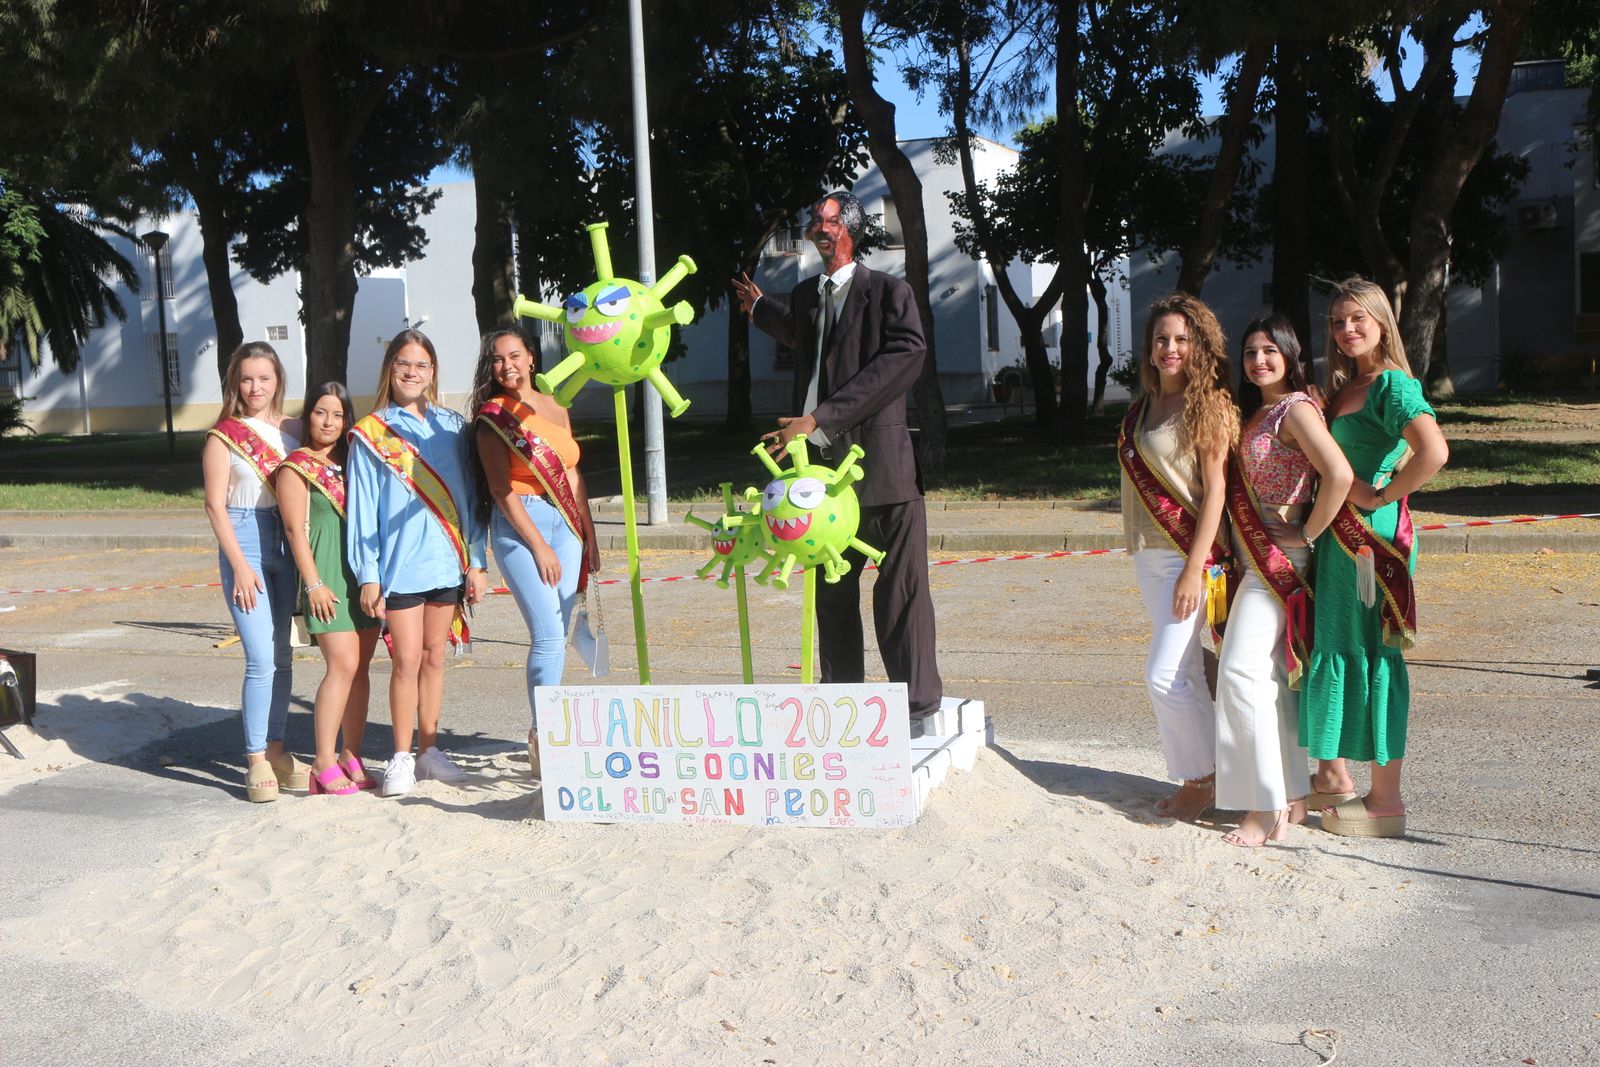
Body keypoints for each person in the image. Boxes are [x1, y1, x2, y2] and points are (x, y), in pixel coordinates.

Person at [731, 191, 943, 729]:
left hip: (883, 468)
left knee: (901, 591)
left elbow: (904, 356)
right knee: (832, 590)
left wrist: (821, 418)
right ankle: (842, 700)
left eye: (828, 220)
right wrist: (759, 308)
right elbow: (806, 332)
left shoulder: (890, 293)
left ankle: (916, 706)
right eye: (814, 221)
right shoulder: (806, 296)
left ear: (849, 229)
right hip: (819, 477)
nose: (818, 229)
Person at [1301, 278, 1449, 838]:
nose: (1346, 330)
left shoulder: (1391, 384)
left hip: (1370, 543)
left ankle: (1386, 801)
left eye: (1358, 319)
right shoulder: (1348, 386)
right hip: (1339, 543)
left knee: (1376, 655)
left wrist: (1382, 494)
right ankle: (1334, 777)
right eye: (1338, 321)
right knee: (1337, 646)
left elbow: (1434, 451)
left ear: (1382, 321)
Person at [1213, 316, 1353, 846]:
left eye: (1270, 351)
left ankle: (1264, 804)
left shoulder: (1295, 408)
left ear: (1291, 355)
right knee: (1272, 681)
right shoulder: (1261, 412)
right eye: (1250, 352)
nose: (1259, 361)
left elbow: (1337, 474)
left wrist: (1308, 534)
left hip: (1278, 564)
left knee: (1240, 674)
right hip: (1253, 559)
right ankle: (1293, 795)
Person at [347, 329, 489, 798]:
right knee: (405, 660)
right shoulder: (371, 435)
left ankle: (430, 751)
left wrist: (476, 559)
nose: (412, 372)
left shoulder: (452, 427)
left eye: (422, 365)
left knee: (435, 658)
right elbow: (363, 508)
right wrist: (368, 573)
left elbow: (469, 498)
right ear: (391, 368)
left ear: (433, 372)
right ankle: (402, 756)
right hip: (399, 566)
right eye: (404, 363)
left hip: (447, 563)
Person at [1117, 294, 1238, 822]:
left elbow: (1215, 493)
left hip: (1190, 557)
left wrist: (1194, 567)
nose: (1170, 348)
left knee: (1165, 674)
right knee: (1187, 669)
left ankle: (1203, 779)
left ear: (1199, 348)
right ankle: (1227, 774)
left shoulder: (1206, 405)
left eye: (1182, 340)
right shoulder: (1140, 409)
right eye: (1162, 339)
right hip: (1149, 556)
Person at [470, 326, 600, 779]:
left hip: (565, 524)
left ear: (530, 358)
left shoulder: (555, 407)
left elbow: (573, 473)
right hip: (519, 526)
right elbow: (499, 489)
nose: (507, 366)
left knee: (560, 631)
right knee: (546, 633)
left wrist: (588, 534)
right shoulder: (492, 417)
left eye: (514, 356)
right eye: (498, 360)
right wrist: (539, 544)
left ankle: (547, 731)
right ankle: (545, 736)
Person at [201, 341, 305, 802]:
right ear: (234, 382)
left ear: (278, 380)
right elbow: (214, 506)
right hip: (243, 537)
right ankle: (255, 759)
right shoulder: (223, 435)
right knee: (260, 657)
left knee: (283, 655)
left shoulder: (294, 430)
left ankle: (277, 749)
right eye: (247, 378)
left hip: (287, 538)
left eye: (264, 378)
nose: (255, 387)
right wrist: (240, 567)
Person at [277, 382, 381, 796]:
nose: (329, 422)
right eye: (321, 412)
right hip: (326, 580)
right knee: (340, 666)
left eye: (338, 415)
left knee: (360, 671)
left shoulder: (356, 461)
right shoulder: (296, 467)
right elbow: (294, 532)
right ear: (308, 416)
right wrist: (313, 584)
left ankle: (350, 753)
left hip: (363, 577)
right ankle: (322, 760)